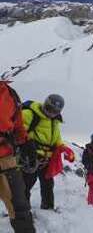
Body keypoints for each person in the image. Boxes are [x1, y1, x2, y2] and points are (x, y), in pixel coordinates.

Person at [0, 82, 36, 233]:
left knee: (20, 208)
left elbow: (18, 124)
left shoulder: (9, 93)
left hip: (6, 157)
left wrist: (25, 143)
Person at [21, 94, 65, 211]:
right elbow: (19, 131)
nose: (51, 113)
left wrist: (62, 147)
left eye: (55, 111)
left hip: (46, 159)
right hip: (31, 156)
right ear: (44, 104)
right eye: (49, 109)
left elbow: (56, 137)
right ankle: (23, 212)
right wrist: (29, 147)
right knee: (26, 183)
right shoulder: (30, 114)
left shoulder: (54, 121)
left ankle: (48, 207)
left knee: (48, 183)